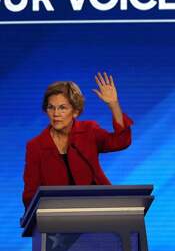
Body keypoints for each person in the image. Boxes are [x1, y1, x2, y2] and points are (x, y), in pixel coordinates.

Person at [22, 72, 133, 208]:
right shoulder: (36, 146)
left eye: (62, 108)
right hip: (58, 218)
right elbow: (30, 194)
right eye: (51, 107)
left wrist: (114, 105)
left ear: (75, 112)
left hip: (98, 207)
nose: (56, 114)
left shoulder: (88, 131)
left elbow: (121, 141)